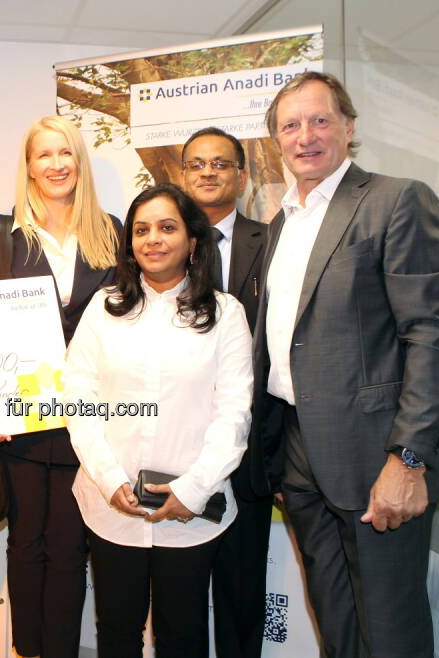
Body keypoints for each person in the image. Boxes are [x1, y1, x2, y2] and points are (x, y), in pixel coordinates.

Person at [247, 71, 439, 658]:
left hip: (377, 456)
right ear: (276, 140)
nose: (305, 136)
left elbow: (433, 337)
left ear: (348, 126)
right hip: (299, 454)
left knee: (391, 633)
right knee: (337, 627)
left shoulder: (396, 199)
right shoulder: (281, 224)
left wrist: (408, 459)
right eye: (290, 125)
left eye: (319, 120)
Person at [65, 183, 253, 658]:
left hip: (190, 512)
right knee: (116, 635)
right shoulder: (105, 307)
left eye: (167, 228)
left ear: (193, 241)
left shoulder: (226, 313)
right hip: (113, 506)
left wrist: (192, 491)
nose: (153, 239)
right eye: (142, 230)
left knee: (183, 637)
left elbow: (234, 414)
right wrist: (109, 480)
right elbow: (77, 398)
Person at [0, 115, 120, 658]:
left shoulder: (112, 231)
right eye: (44, 155)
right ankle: (26, 651)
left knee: (70, 548)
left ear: (79, 164)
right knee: (26, 543)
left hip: (88, 418)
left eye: (67, 154)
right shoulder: (0, 233)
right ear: (28, 167)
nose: (56, 164)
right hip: (22, 421)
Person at [179, 127, 269, 658]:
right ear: (183, 175)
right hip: (176, 447)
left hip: (250, 451)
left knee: (240, 594)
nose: (208, 172)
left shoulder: (274, 238)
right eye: (196, 164)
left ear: (242, 174)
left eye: (220, 163)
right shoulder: (161, 243)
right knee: (178, 597)